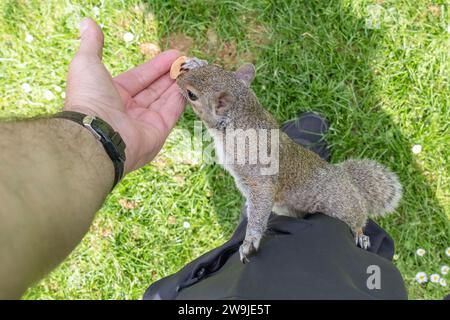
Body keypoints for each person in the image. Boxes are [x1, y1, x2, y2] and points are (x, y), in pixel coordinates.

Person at [0, 19, 407, 299]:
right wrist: (194, 73)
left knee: (323, 219)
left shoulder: (244, 135)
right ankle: (304, 149)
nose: (184, 94)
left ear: (224, 106)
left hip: (312, 195)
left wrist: (252, 234)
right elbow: (230, 83)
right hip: (279, 177)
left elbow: (262, 191)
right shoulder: (241, 108)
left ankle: (351, 226)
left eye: (190, 97)